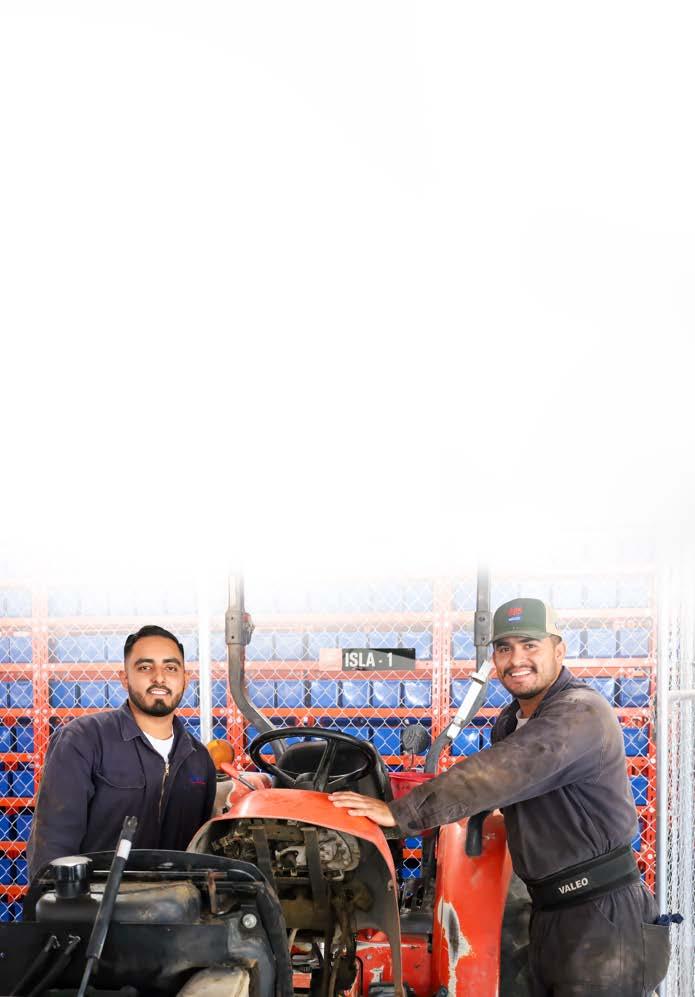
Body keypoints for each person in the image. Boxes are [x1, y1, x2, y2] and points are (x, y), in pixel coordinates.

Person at [331, 597, 671, 996]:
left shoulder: (581, 712)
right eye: (504, 648)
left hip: (602, 918)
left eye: (530, 645)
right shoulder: (511, 721)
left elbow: (502, 771)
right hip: (549, 910)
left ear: (559, 650)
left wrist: (401, 812)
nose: (516, 659)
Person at [28, 624, 216, 878]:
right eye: (145, 667)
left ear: (185, 678)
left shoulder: (199, 759)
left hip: (176, 900)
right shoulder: (83, 740)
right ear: (124, 677)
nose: (159, 678)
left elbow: (201, 849)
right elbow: (52, 843)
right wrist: (59, 897)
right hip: (98, 899)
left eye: (171, 668)